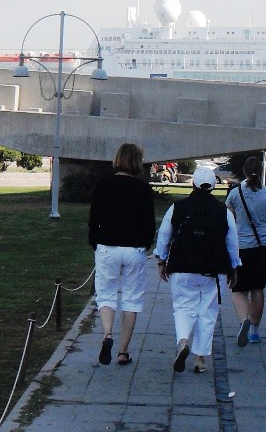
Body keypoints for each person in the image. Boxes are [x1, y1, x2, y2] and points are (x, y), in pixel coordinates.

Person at [155, 167, 241, 374]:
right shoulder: (223, 212)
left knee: (183, 308)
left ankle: (183, 341)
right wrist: (234, 267)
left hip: (181, 266)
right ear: (214, 186)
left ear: (192, 184)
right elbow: (232, 243)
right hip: (214, 268)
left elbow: (164, 236)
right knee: (208, 312)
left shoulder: (177, 208)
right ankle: (200, 358)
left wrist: (162, 261)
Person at [88, 143, 156, 366]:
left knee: (105, 294)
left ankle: (107, 333)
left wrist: (95, 242)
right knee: (131, 299)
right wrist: (146, 244)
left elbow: (94, 219)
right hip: (134, 248)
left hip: (107, 246)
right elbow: (149, 223)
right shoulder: (143, 189)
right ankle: (123, 351)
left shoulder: (103, 185)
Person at [225, 156, 266, 347]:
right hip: (264, 247)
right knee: (258, 288)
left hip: (241, 247)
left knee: (238, 289)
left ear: (244, 171)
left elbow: (230, 224)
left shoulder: (234, 194)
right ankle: (255, 331)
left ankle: (244, 320)